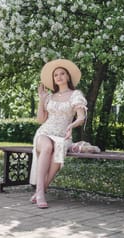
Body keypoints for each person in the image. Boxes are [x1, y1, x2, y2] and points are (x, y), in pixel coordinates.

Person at [29, 58, 87, 209]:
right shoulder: (49, 96)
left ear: (68, 77)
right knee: (48, 148)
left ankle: (42, 189)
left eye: (62, 73)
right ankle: (40, 192)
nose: (59, 76)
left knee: (59, 147)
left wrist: (72, 126)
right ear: (54, 79)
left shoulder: (76, 95)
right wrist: (41, 100)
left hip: (63, 135)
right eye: (56, 75)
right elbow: (41, 120)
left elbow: (81, 117)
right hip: (45, 132)